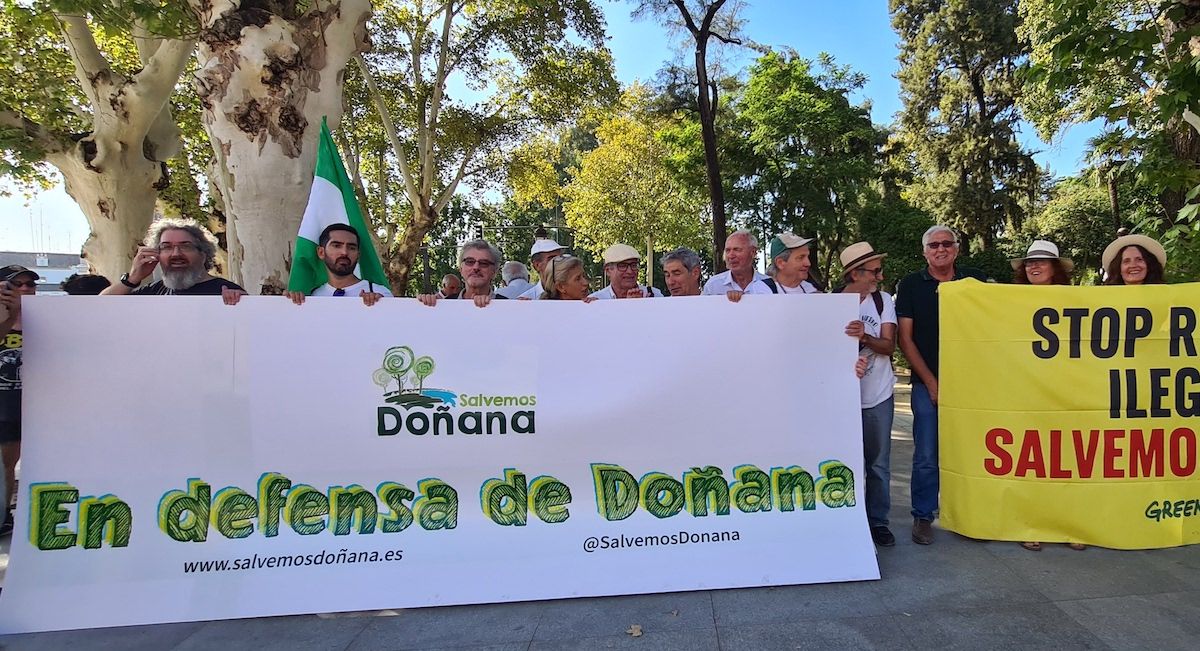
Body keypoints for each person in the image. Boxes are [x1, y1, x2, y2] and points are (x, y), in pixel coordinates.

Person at [895, 225, 988, 545]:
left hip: (973, 383)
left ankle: (973, 516)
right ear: (924, 252)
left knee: (973, 451)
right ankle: (923, 515)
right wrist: (932, 382)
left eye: (947, 243)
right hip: (926, 383)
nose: (940, 249)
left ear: (957, 248)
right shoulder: (910, 285)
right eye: (933, 245)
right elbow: (905, 340)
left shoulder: (975, 282)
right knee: (926, 454)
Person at [1008, 240, 1087, 551]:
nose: (1034, 267)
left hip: (1067, 393)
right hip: (1028, 390)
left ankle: (1071, 526)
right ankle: (1032, 524)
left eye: (1041, 262)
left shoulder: (1077, 299)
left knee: (1069, 460)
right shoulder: (1010, 301)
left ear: (1056, 268)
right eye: (1029, 263)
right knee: (1031, 460)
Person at [839, 244, 897, 547]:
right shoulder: (830, 302)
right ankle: (849, 519)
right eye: (874, 271)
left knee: (877, 464)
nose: (880, 276)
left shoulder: (882, 301)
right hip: (839, 399)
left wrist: (864, 336)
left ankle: (878, 522)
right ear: (855, 273)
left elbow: (889, 346)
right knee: (844, 462)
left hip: (878, 394)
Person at [101, 218, 246, 303]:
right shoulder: (155, 291)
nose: (176, 253)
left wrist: (242, 303)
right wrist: (133, 278)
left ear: (203, 254)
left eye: (186, 246)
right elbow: (98, 308)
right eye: (166, 247)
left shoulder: (224, 291)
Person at [0, 265, 38, 534]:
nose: (24, 289)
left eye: (30, 284)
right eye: (16, 284)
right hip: (3, 405)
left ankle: (9, 513)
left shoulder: (43, 319)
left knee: (16, 463)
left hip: (30, 406)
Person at [285, 224, 390, 306]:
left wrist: (381, 306)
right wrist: (288, 304)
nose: (344, 252)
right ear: (321, 252)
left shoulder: (380, 294)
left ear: (358, 255)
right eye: (336, 246)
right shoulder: (311, 298)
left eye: (351, 247)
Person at [418, 240, 507, 307]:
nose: (476, 267)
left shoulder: (508, 306)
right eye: (469, 261)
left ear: (494, 271)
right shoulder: (444, 305)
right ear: (461, 269)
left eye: (484, 263)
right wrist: (422, 307)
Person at [702, 230, 772, 298]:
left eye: (737, 250)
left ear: (753, 252)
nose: (731, 256)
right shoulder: (713, 286)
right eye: (727, 250)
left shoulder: (769, 285)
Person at [589, 244, 663, 299]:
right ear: (608, 271)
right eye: (622, 266)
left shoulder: (654, 295)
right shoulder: (597, 300)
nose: (630, 271)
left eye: (633, 265)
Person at [1102, 234, 1166, 285]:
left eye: (1139, 259)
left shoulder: (1167, 295)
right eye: (1126, 261)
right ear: (1118, 268)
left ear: (1149, 265)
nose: (1133, 265)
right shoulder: (1105, 298)